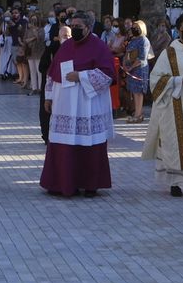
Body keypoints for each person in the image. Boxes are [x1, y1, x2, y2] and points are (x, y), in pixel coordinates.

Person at [41, 15, 116, 197]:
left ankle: (89, 184)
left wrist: (81, 76)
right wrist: (49, 97)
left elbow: (107, 75)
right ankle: (61, 183)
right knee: (63, 143)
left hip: (87, 105)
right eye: (72, 25)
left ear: (88, 27)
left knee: (87, 143)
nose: (74, 28)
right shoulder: (65, 46)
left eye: (78, 26)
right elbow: (52, 73)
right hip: (64, 104)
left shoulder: (99, 47)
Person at [142, 13, 183, 196]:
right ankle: (174, 182)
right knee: (174, 144)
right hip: (175, 106)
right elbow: (155, 81)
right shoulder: (170, 53)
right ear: (178, 30)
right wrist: (180, 80)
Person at [122, 19, 151, 123]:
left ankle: (139, 114)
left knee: (139, 92)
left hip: (139, 69)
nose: (134, 29)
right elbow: (127, 53)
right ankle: (136, 112)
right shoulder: (132, 40)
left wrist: (131, 67)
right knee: (134, 91)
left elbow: (142, 58)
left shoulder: (144, 40)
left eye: (137, 28)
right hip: (131, 69)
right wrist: (125, 64)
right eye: (133, 27)